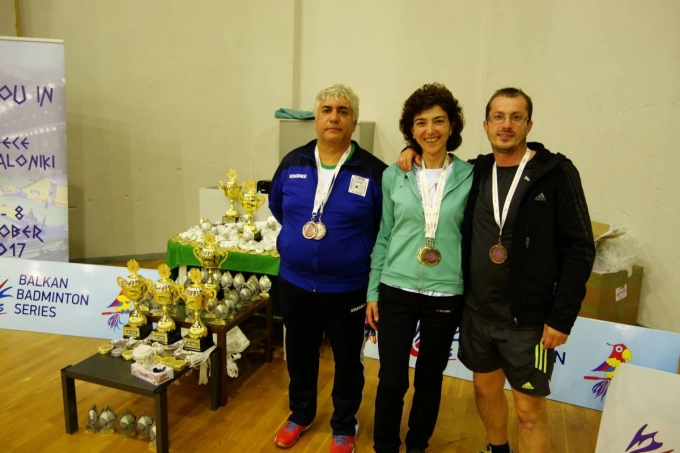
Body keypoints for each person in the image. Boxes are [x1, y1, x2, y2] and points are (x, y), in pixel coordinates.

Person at [398, 87, 595, 453]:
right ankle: (497, 449)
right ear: (486, 125)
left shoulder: (555, 173)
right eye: (498, 117)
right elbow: (436, 164)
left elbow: (580, 248)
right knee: (485, 390)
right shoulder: (475, 172)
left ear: (528, 125)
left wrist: (562, 316)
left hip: (530, 321)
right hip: (478, 314)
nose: (506, 125)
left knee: (528, 411)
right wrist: (412, 150)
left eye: (515, 117)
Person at [269, 83, 387, 453]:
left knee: (348, 361)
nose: (334, 117)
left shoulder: (375, 172)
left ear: (354, 122)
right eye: (327, 110)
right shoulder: (293, 162)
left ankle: (344, 424)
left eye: (343, 111)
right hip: (295, 282)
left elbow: (385, 226)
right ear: (316, 120)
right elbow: (278, 207)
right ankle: (300, 414)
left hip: (348, 288)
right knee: (299, 355)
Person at [366, 83, 473, 453]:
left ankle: (417, 446)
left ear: (452, 126)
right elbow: (384, 235)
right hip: (396, 288)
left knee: (430, 377)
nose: (430, 130)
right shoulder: (394, 175)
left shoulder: (470, 176)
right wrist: (373, 291)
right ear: (411, 129)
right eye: (421, 122)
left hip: (446, 291)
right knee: (391, 378)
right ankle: (385, 446)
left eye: (439, 121)